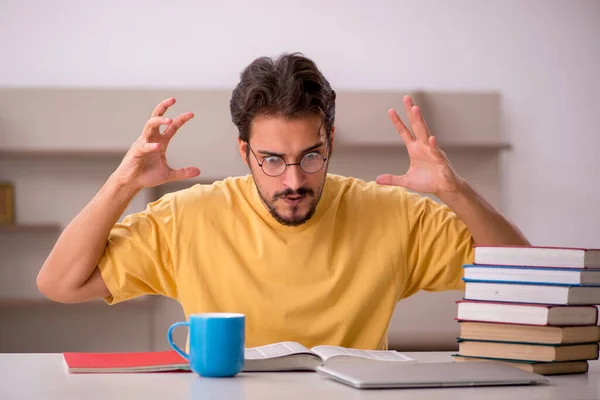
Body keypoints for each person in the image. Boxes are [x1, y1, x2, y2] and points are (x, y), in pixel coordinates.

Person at [36, 52, 529, 350]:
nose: (293, 180)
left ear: (331, 142)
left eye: (311, 156)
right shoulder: (187, 218)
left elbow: (526, 278)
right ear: (244, 152)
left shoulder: (395, 213)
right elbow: (59, 283)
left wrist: (453, 189)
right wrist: (122, 184)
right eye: (272, 159)